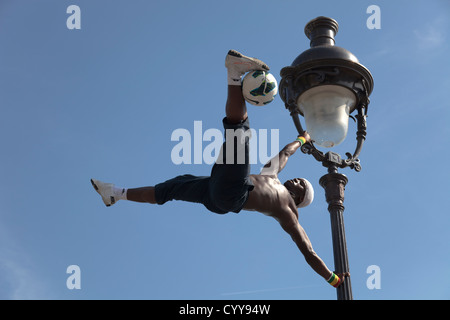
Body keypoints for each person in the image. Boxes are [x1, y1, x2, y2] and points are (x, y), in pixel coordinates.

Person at [91, 50, 348, 288]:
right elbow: (285, 153)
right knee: (170, 188)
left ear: (301, 198)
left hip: (233, 193)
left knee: (240, 133)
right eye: (300, 178)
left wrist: (334, 279)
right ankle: (115, 193)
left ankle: (234, 73)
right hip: (219, 193)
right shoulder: (273, 176)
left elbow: (309, 252)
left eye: (301, 183)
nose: (297, 180)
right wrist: (304, 138)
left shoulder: (288, 212)